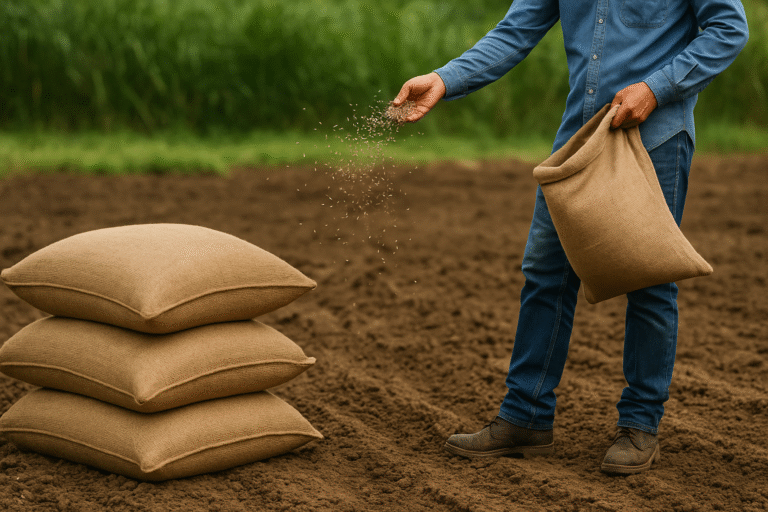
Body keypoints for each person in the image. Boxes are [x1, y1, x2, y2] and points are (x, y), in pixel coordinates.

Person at [392, 0, 749, 474]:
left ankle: (640, 424)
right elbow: (515, 31)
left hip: (655, 137)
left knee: (650, 281)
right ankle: (526, 415)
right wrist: (445, 79)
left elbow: (728, 29)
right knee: (545, 272)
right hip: (579, 139)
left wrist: (655, 88)